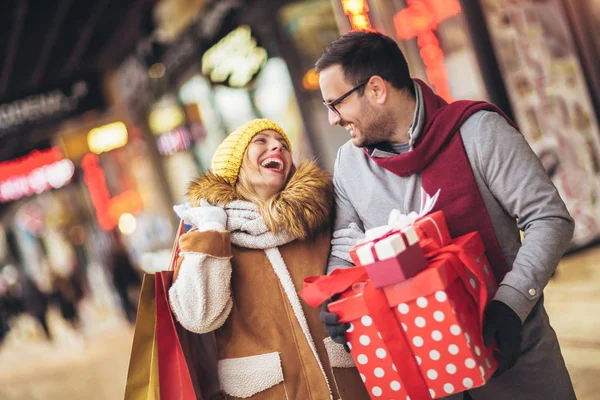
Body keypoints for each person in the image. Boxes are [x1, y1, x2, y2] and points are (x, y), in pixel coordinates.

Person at [316, 31, 576, 400]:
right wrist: (337, 298)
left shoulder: (479, 132)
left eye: (336, 104)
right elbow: (346, 239)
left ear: (376, 90)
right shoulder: (349, 163)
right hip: (422, 367)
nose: (331, 119)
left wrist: (510, 304)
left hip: (513, 352)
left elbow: (549, 219)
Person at [168, 119, 369, 400]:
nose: (277, 146)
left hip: (345, 386)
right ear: (234, 165)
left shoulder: (318, 219)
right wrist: (213, 229)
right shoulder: (211, 236)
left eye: (283, 144)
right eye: (260, 141)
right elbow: (199, 318)